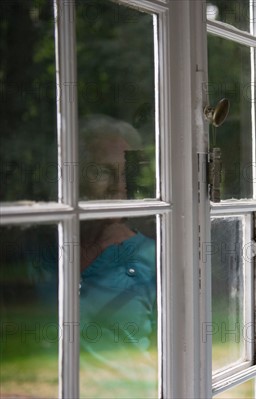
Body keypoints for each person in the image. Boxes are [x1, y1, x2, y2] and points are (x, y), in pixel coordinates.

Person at [79, 115, 158, 397]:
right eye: (103, 172)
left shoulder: (152, 256)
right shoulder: (43, 251)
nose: (118, 187)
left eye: (125, 174)